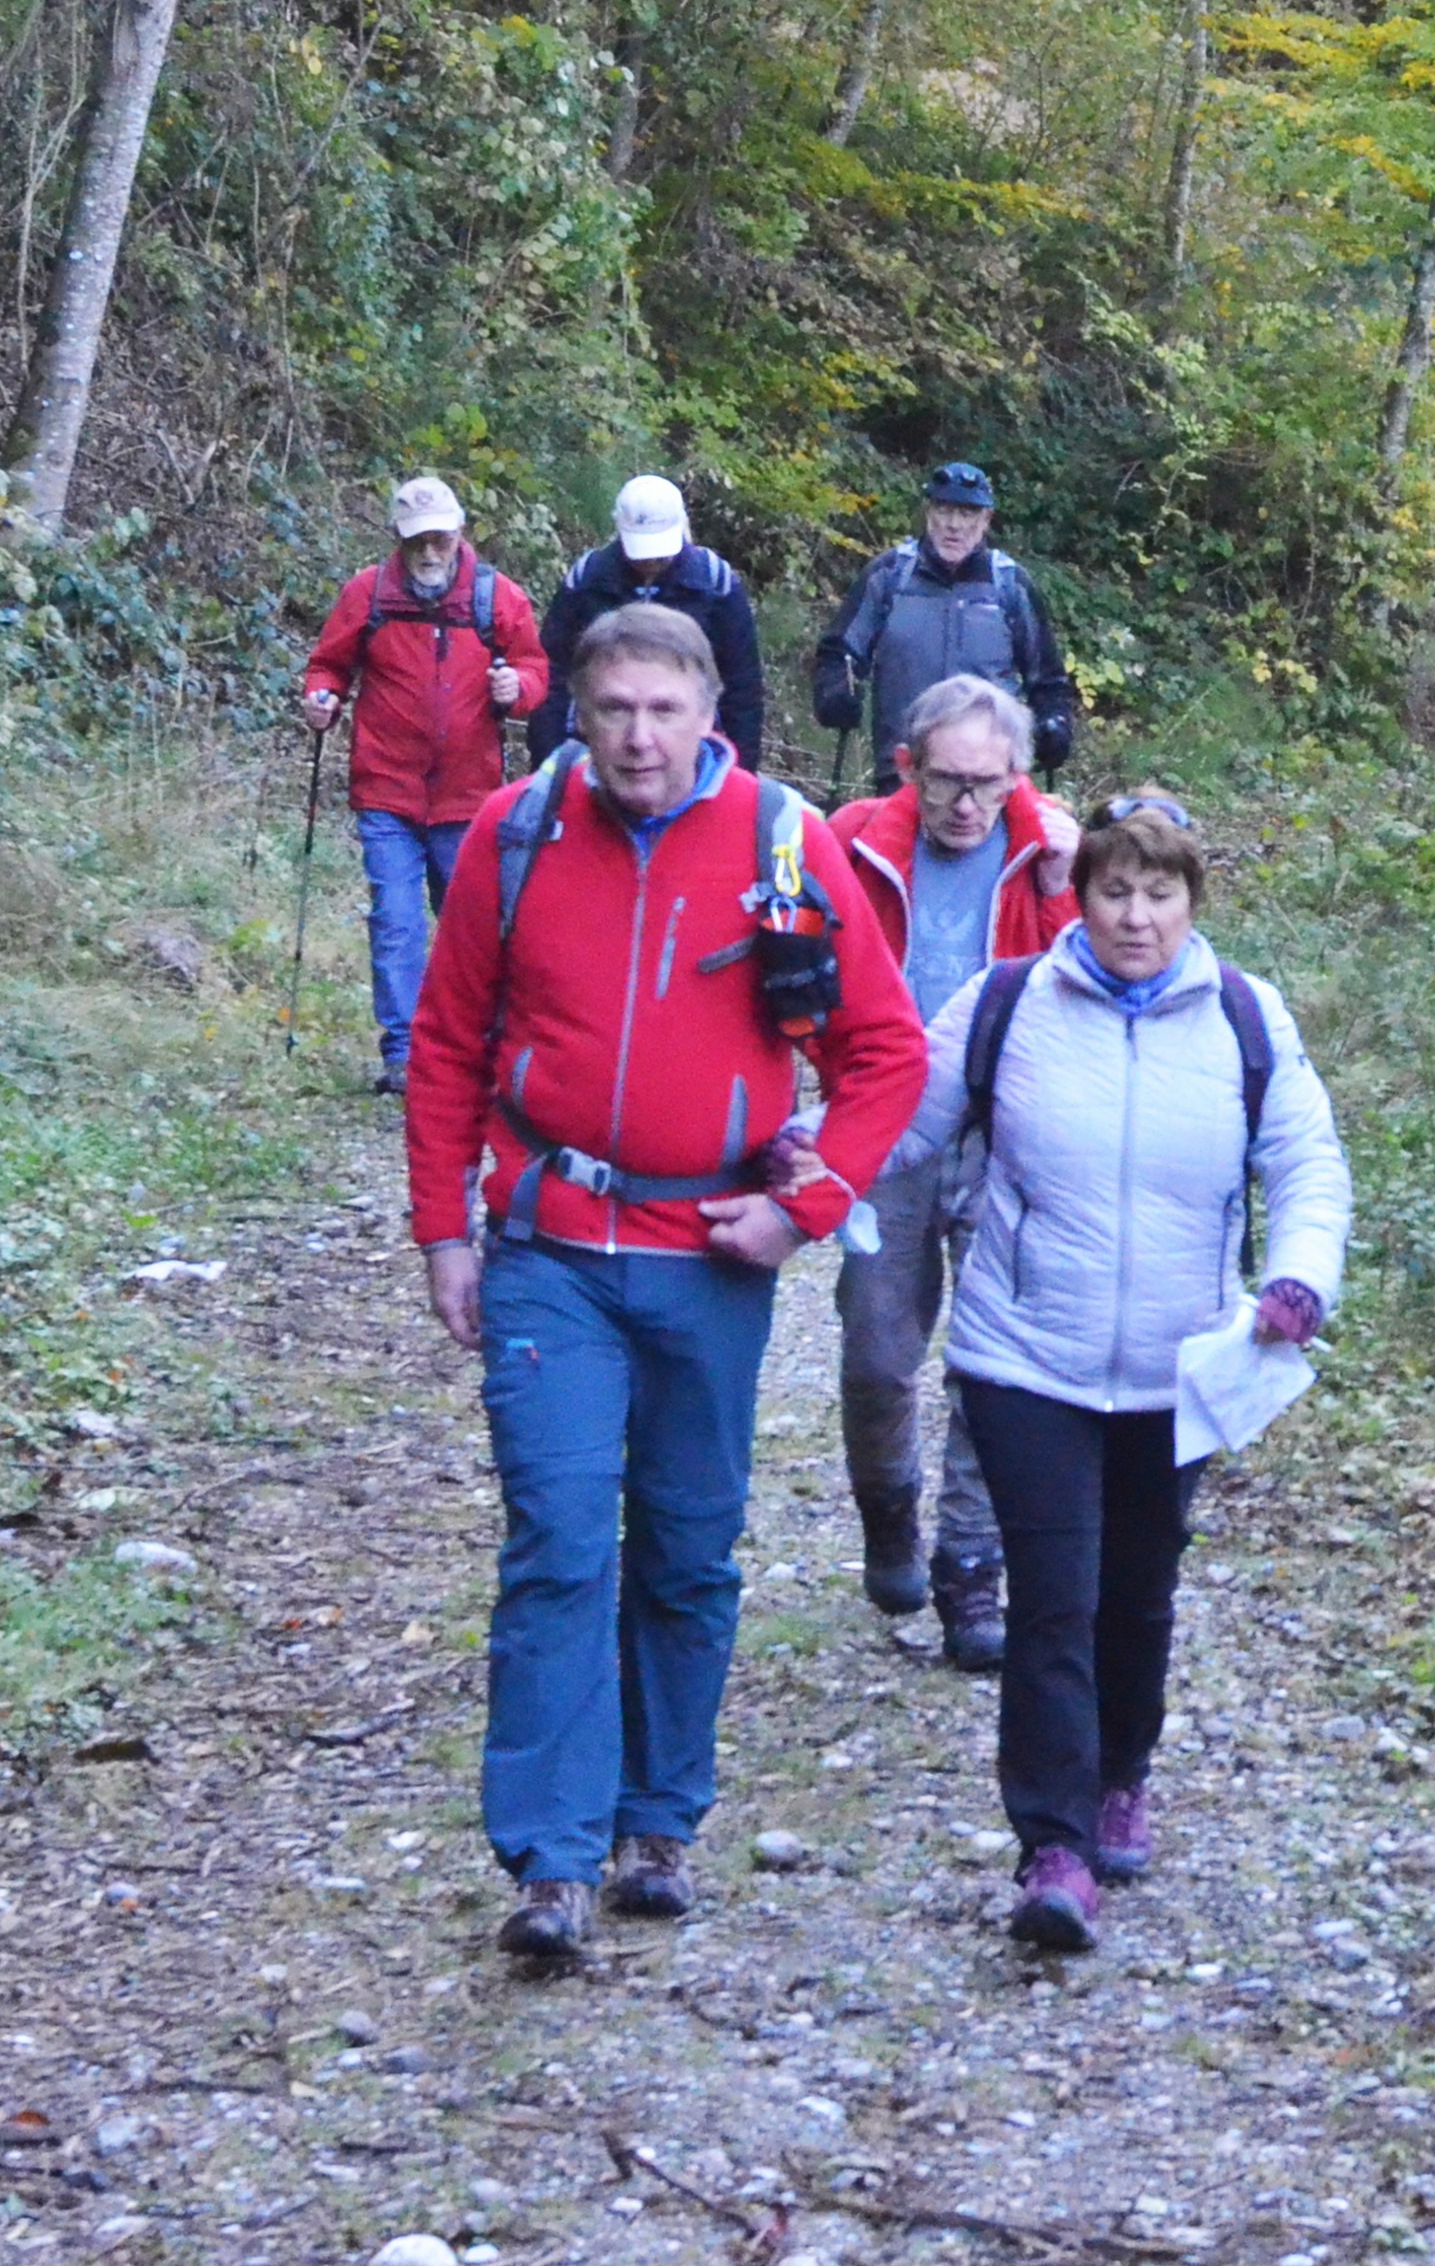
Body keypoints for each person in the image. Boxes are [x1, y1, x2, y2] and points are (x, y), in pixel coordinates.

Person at [401, 602, 931, 1958]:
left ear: (710, 714)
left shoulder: (782, 841)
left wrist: (805, 1209)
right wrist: (444, 1227)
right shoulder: (515, 835)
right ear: (575, 710)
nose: (639, 736)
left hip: (709, 1256)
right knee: (560, 1536)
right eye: (615, 708)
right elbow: (448, 1038)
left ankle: (659, 1823)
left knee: (690, 1548)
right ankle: (551, 1857)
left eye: (664, 709)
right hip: (553, 1248)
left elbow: (885, 1052)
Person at [887, 789, 1347, 1952]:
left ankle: (1121, 1774)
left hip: (1177, 1364)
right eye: (1115, 890)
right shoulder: (1006, 1005)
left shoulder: (1246, 1014)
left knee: (1138, 1592)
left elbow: (1306, 1159)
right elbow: (898, 1122)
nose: (1136, 916)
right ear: (1079, 895)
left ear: (1194, 900)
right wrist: (788, 1157)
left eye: (1160, 892)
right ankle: (1053, 1844)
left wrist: (1299, 1278)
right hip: (1025, 1355)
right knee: (1054, 1596)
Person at [821, 674, 1081, 1661]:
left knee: (994, 1362)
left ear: (1017, 775)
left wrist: (1061, 886)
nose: (968, 804)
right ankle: (888, 1510)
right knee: (878, 1352)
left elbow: (1081, 987)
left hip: (1004, 1133)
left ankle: (972, 1572)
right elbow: (798, 970)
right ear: (908, 767)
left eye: (989, 782)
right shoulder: (852, 841)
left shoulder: (1049, 851)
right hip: (886, 1125)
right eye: (947, 781)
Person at [302, 477, 546, 1093]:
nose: (429, 552)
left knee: (471, 927)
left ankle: (474, 1043)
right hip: (387, 791)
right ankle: (404, 1055)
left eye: (439, 539)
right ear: (397, 538)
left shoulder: (496, 597)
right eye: (417, 541)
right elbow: (330, 664)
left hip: (469, 797)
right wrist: (321, 697)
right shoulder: (368, 594)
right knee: (396, 920)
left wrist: (518, 689)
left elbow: (536, 669)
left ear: (459, 533)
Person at [809, 462, 1076, 781]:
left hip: (988, 777)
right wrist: (835, 694)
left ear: (986, 519)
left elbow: (1047, 680)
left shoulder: (1010, 585)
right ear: (928, 512)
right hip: (905, 771)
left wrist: (1055, 724)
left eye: (967, 514)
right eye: (944, 510)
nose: (954, 525)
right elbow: (839, 653)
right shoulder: (889, 576)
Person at [539, 469, 767, 770]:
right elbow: (551, 673)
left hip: (693, 750)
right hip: (595, 746)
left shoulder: (714, 583)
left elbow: (742, 686)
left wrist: (740, 770)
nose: (651, 562)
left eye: (660, 553)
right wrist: (548, 760)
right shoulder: (588, 579)